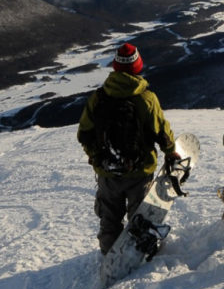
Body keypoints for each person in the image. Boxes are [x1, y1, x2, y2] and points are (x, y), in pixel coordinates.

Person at [77, 43, 180, 255]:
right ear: (137, 66)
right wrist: (170, 151)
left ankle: (109, 252)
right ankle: (141, 250)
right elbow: (160, 130)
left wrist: (96, 157)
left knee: (109, 217)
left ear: (115, 66)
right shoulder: (145, 99)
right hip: (139, 171)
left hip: (107, 171)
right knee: (140, 215)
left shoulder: (99, 98)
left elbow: (84, 134)